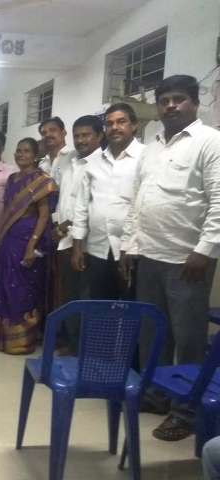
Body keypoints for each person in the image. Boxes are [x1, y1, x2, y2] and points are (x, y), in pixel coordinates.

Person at [120, 75, 220, 442]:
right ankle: (156, 396)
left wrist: (204, 250)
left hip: (187, 260)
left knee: (188, 337)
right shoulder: (151, 148)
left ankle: (187, 411)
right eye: (164, 100)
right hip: (148, 256)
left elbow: (218, 199)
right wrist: (129, 245)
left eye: (179, 99)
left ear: (195, 103)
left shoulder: (210, 142)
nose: (170, 105)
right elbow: (137, 200)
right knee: (152, 333)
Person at [0, 137, 58, 354]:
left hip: (28, 240)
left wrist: (32, 246)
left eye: (27, 151)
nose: (21, 154)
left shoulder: (42, 180)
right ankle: (0, 337)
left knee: (22, 291)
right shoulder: (12, 179)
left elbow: (44, 216)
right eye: (18, 150)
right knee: (3, 285)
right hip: (9, 239)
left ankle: (20, 340)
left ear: (36, 155)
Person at [71, 103, 144, 301]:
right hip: (98, 250)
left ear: (134, 125)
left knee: (131, 305)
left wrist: (131, 245)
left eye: (121, 121)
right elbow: (82, 207)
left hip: (133, 251)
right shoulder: (94, 163)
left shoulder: (146, 157)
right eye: (109, 123)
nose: (114, 127)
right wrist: (77, 246)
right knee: (100, 304)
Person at [53, 115, 104, 354]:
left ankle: (85, 349)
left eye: (86, 135)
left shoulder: (101, 164)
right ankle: (73, 346)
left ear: (99, 136)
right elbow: (63, 199)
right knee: (70, 296)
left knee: (86, 297)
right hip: (64, 240)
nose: (81, 140)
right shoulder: (71, 163)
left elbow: (91, 206)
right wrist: (57, 225)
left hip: (86, 244)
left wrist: (65, 226)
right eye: (77, 136)